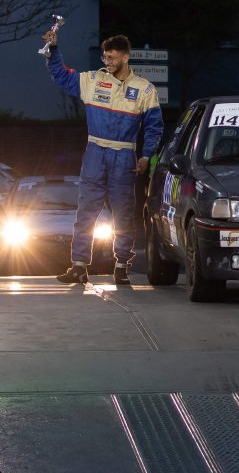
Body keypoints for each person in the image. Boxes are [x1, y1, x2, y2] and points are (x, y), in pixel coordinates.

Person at [42, 31, 164, 286]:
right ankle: (78, 266)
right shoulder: (93, 80)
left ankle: (121, 266)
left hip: (124, 156)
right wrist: (54, 49)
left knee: (123, 214)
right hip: (95, 152)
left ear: (125, 57)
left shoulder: (144, 89)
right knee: (85, 212)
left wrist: (146, 155)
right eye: (104, 56)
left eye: (111, 57)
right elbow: (62, 76)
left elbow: (154, 127)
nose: (106, 61)